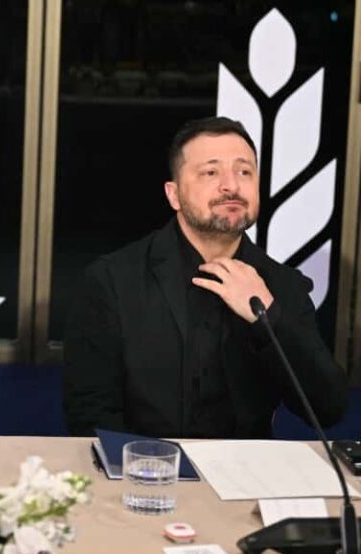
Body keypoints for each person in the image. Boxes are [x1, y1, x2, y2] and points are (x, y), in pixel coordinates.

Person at [63, 116, 347, 438]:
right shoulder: (112, 280)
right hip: (142, 463)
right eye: (211, 173)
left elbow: (328, 408)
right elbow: (89, 413)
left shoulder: (282, 284)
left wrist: (268, 316)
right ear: (173, 195)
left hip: (245, 468)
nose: (231, 186)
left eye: (244, 172)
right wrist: (148, 463)